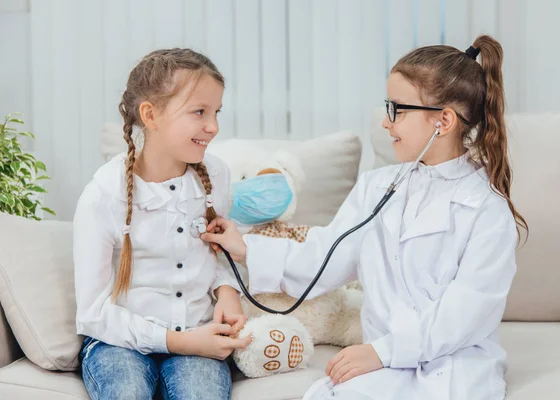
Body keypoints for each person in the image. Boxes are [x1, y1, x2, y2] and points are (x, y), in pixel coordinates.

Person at [200, 35, 527, 400]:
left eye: (397, 110)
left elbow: (466, 314)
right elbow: (326, 257)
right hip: (383, 363)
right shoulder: (377, 188)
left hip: (455, 366)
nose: (387, 123)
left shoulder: (487, 210)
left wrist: (381, 352)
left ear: (444, 121)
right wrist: (245, 248)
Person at [73, 48, 251, 400]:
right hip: (117, 342)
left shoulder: (216, 175)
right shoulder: (102, 196)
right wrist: (179, 341)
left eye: (216, 112)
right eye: (199, 112)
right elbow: (91, 314)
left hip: (199, 332)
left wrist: (228, 292)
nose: (213, 126)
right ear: (150, 115)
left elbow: (220, 253)